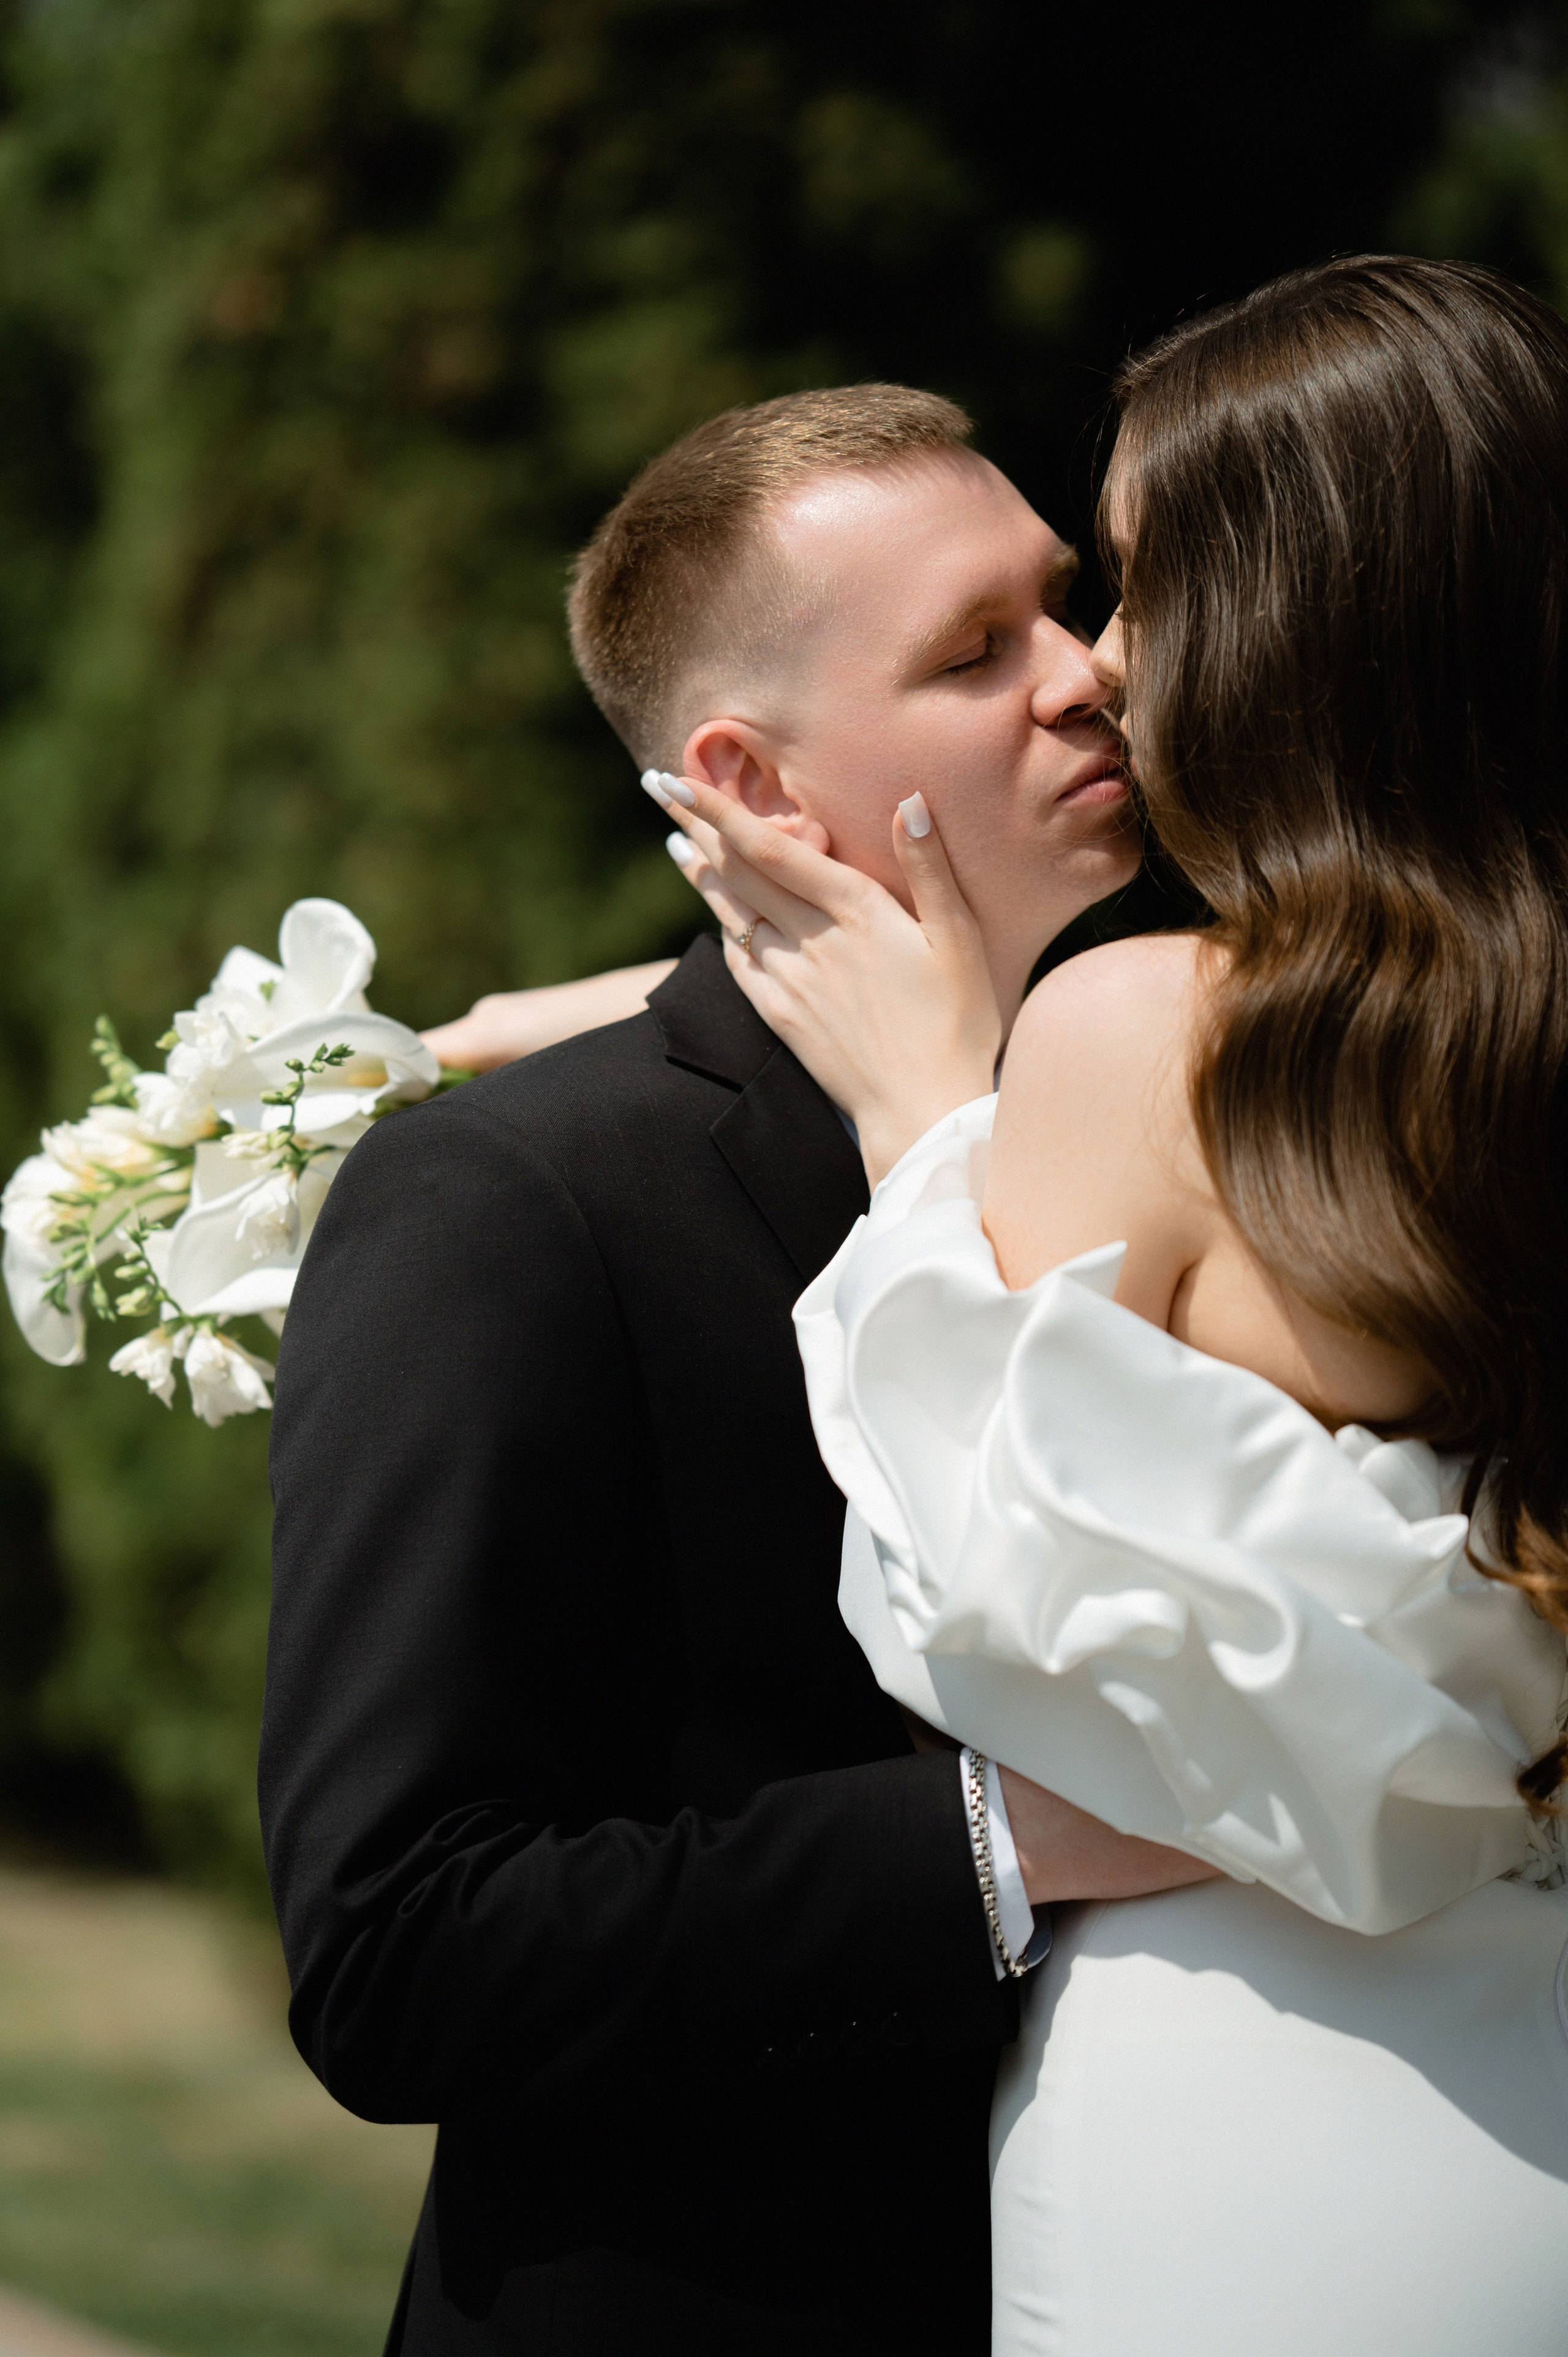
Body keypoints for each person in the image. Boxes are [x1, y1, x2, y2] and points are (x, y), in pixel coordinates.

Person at [644, 257, 1568, 2355]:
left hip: (1273, 2120)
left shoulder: (1143, 1038)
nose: (1111, 667)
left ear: (1314, 616)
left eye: (1142, 584)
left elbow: (986, 1603)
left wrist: (921, 1129)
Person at [261, 383, 1214, 2357]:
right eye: (975, 652)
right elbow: (397, 1951)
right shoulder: (510, 1200)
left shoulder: (1219, 1108)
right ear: (756, 789)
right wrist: (1004, 1845)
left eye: (1067, 602)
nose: (1089, 675)